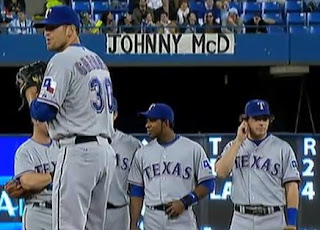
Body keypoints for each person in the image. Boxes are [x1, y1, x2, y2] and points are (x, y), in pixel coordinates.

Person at [24, 5, 116, 230]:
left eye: (53, 27)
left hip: (78, 153)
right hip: (105, 154)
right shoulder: (99, 62)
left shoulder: (61, 60)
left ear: (71, 30)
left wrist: (31, 95)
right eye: (45, 28)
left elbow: (43, 112)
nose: (46, 32)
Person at [215, 99, 300, 230]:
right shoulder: (233, 146)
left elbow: (292, 187)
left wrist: (292, 222)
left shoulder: (283, 148)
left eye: (265, 119)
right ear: (245, 121)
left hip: (273, 218)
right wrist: (238, 141)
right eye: (256, 119)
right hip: (241, 218)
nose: (261, 123)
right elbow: (221, 172)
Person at [128, 103, 214, 230]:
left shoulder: (192, 148)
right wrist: (134, 223)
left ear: (166, 123)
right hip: (152, 218)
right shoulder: (142, 153)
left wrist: (185, 202)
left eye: (152, 120)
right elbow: (137, 190)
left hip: (182, 217)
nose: (147, 125)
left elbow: (208, 183)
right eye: (147, 121)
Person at [6, 119, 58, 230]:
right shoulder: (25, 151)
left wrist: (41, 180)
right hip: (38, 212)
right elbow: (28, 182)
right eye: (48, 120)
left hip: (62, 212)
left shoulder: (62, 147)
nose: (53, 123)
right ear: (36, 120)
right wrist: (55, 175)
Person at [105, 97, 143, 230]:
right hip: (90, 212)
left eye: (108, 112)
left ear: (115, 115)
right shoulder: (86, 142)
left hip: (119, 212)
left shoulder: (131, 144)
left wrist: (134, 221)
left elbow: (138, 186)